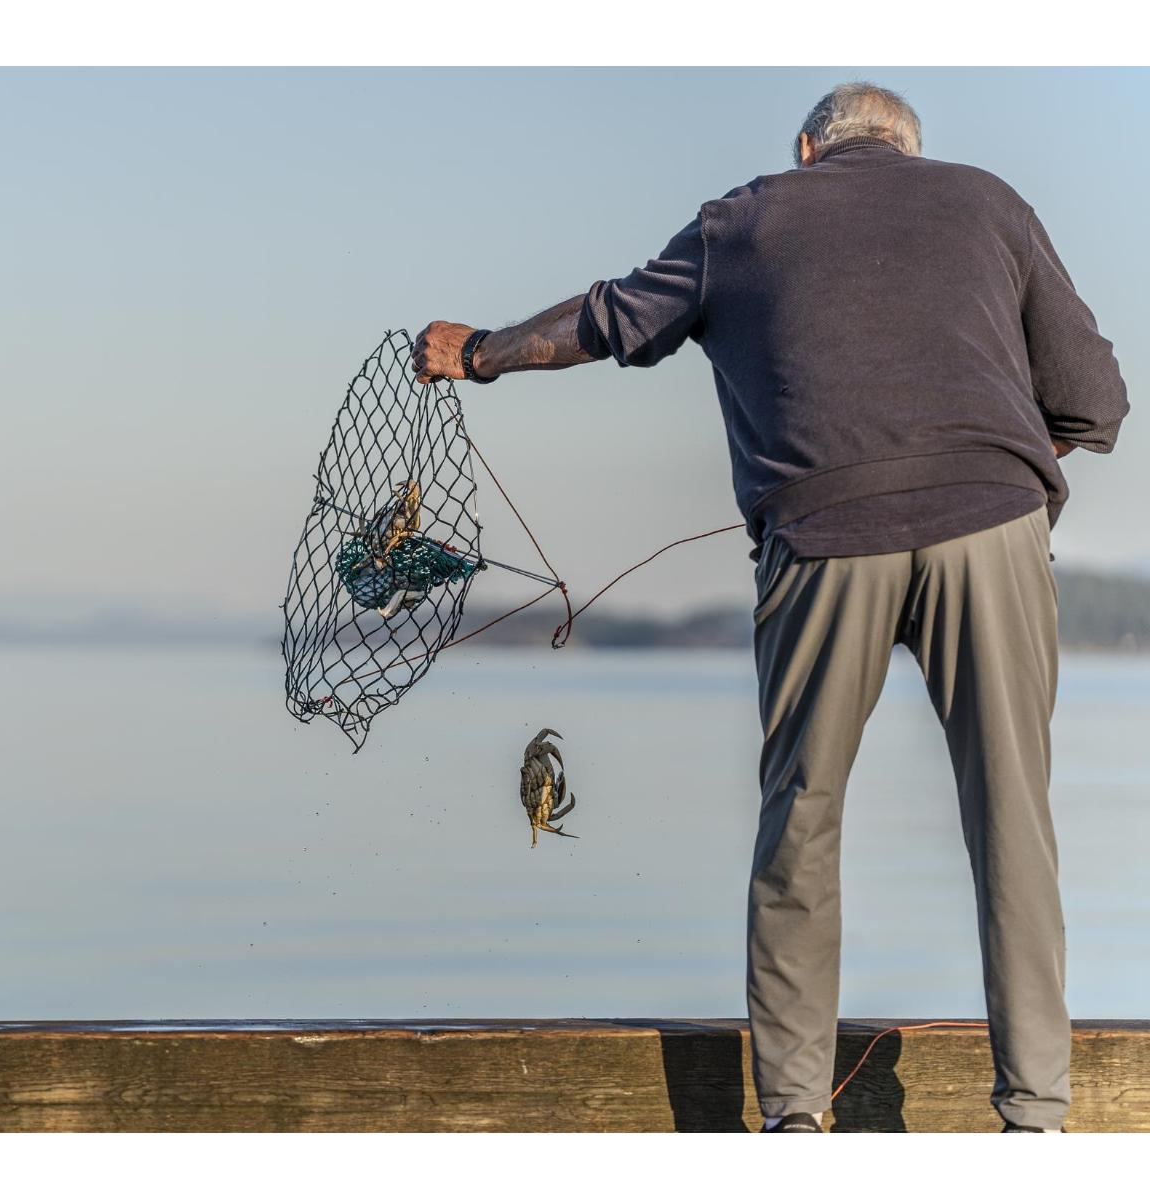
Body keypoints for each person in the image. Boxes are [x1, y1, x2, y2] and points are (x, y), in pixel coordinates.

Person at [410, 81, 1129, 1133]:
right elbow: (1094, 401)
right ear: (912, 152)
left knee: (802, 816)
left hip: (822, 532)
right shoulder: (988, 201)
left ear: (807, 149)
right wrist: (985, 462)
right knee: (1013, 818)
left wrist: (479, 351)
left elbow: (607, 320)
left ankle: (794, 1124)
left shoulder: (744, 218)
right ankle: (1038, 1121)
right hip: (993, 529)